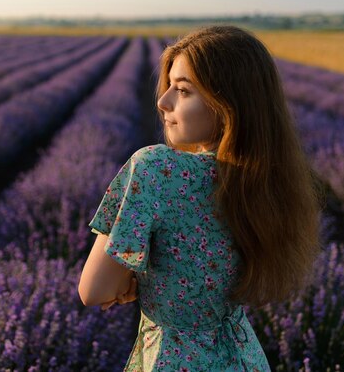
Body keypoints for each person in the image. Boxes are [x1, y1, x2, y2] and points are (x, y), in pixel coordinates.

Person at [78, 25, 322, 371]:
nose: (163, 101)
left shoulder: (155, 169)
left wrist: (130, 278)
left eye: (183, 90)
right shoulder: (268, 182)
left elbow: (95, 291)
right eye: (169, 87)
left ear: (228, 104)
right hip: (243, 357)